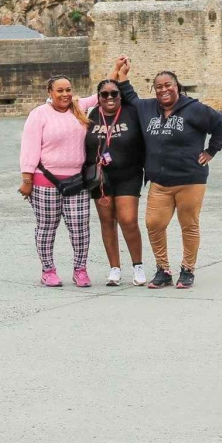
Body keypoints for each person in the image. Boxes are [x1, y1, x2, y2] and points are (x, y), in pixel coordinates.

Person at [120, 68, 222, 291]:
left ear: (177, 86)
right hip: (160, 181)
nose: (163, 90)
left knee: (189, 225)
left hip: (190, 179)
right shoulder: (147, 108)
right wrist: (122, 74)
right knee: (154, 224)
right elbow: (128, 96)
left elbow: (221, 124)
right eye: (159, 86)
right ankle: (163, 270)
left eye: (168, 85)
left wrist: (211, 151)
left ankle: (187, 269)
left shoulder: (194, 109)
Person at [18, 75, 105, 287]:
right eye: (60, 90)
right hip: (45, 181)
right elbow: (30, 147)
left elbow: (99, 95)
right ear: (50, 92)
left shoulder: (78, 108)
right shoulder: (39, 114)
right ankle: (48, 270)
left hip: (77, 180)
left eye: (68, 89)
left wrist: (118, 71)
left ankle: (80, 269)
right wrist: (27, 178)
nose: (65, 94)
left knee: (80, 227)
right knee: (47, 227)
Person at [87, 67, 147, 287]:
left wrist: (122, 75)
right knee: (107, 222)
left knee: (128, 220)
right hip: (100, 177)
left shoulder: (132, 112)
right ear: (98, 98)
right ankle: (114, 267)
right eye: (105, 94)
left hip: (129, 174)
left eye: (114, 94)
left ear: (120, 96)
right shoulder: (91, 114)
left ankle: (137, 265)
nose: (110, 97)